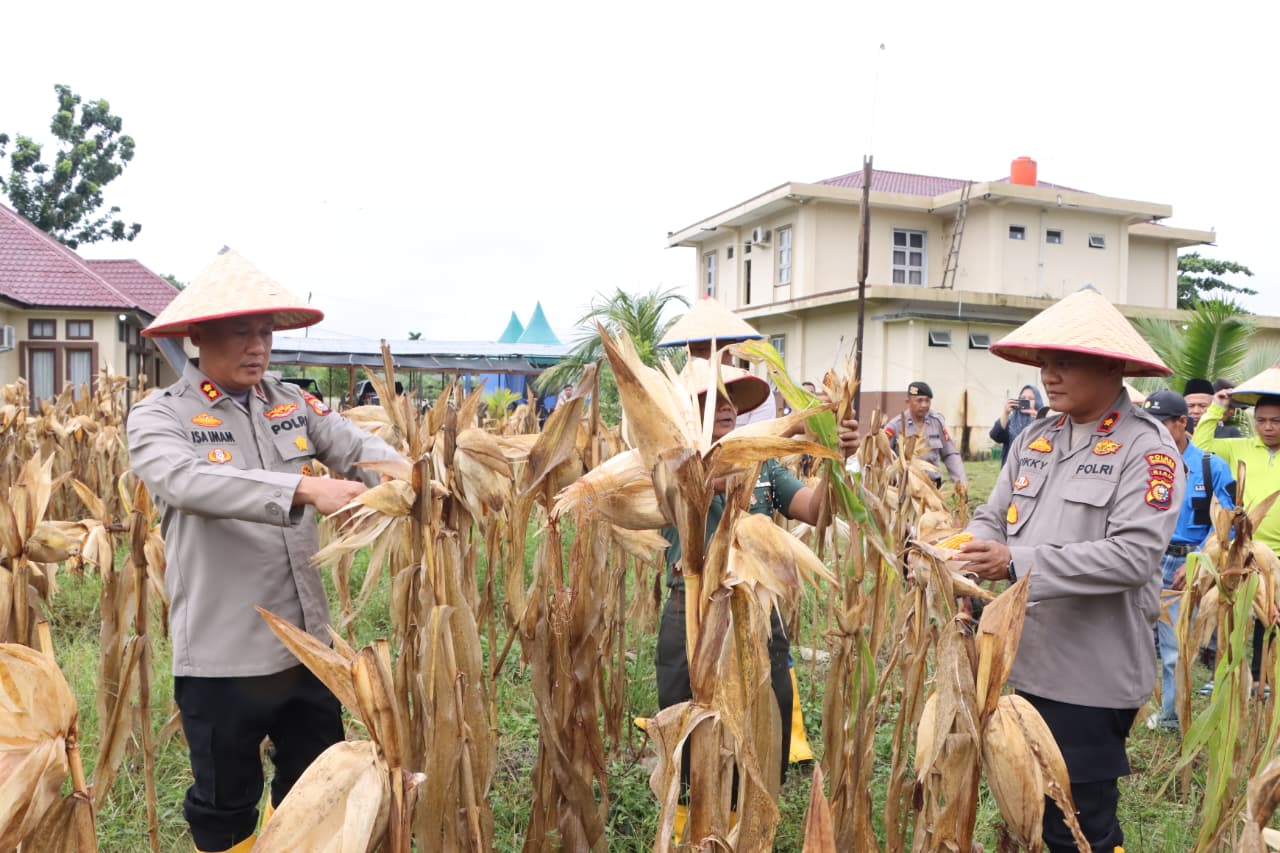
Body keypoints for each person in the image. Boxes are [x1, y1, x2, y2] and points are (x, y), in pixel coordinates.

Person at [126, 249, 406, 853]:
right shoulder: (160, 416)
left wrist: (414, 479)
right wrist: (303, 488)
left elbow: (356, 446)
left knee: (317, 789)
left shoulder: (291, 403)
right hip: (224, 652)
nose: (257, 348)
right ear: (198, 337)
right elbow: (185, 481)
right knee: (223, 804)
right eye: (240, 333)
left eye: (265, 333)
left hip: (308, 649)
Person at [955, 285, 1182, 852]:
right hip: (1020, 661)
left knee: (1078, 825)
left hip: (1089, 675)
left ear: (1111, 367)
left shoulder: (1147, 449)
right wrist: (967, 556)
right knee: (1026, 809)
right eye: (1044, 363)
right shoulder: (1036, 437)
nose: (1049, 376)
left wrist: (1014, 562)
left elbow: (1132, 556)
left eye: (1065, 363)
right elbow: (993, 515)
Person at [655, 359, 858, 831]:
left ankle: (751, 823)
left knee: (769, 716)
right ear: (688, 409)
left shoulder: (764, 465)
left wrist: (835, 460)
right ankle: (695, 827)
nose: (726, 407)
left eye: (731, 399)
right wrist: (799, 425)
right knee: (691, 724)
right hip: (693, 611)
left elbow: (816, 510)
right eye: (713, 399)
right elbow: (705, 476)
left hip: (759, 609)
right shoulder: (672, 460)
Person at [1140, 390, 1235, 731]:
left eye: (1162, 424)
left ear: (1182, 422)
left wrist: (1196, 562)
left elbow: (1226, 525)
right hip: (1141, 559)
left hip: (1184, 565)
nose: (1154, 432)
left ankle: (1172, 716)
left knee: (1174, 647)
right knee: (1127, 639)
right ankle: (1124, 710)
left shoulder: (1211, 467)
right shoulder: (1141, 464)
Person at [1191, 370, 1280, 690]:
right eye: (1262, 420)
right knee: (1232, 612)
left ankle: (1261, 679)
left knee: (1270, 616)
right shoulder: (1239, 447)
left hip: (1276, 555)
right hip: (1242, 550)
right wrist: (1217, 408)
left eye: (1276, 421)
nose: (1268, 427)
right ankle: (1225, 676)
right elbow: (1200, 444)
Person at [883, 381, 966, 488]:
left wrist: (960, 482)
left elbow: (950, 454)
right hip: (905, 488)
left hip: (932, 485)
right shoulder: (895, 425)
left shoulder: (936, 422)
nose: (924, 405)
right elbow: (882, 456)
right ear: (908, 402)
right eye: (919, 400)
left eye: (927, 401)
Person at [989, 384, 1043, 467]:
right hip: (1010, 469)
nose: (1026, 400)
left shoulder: (1044, 421)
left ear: (1037, 402)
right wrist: (1005, 413)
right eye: (1023, 398)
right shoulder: (1011, 420)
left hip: (1033, 468)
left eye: (1031, 398)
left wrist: (1040, 421)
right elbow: (996, 436)